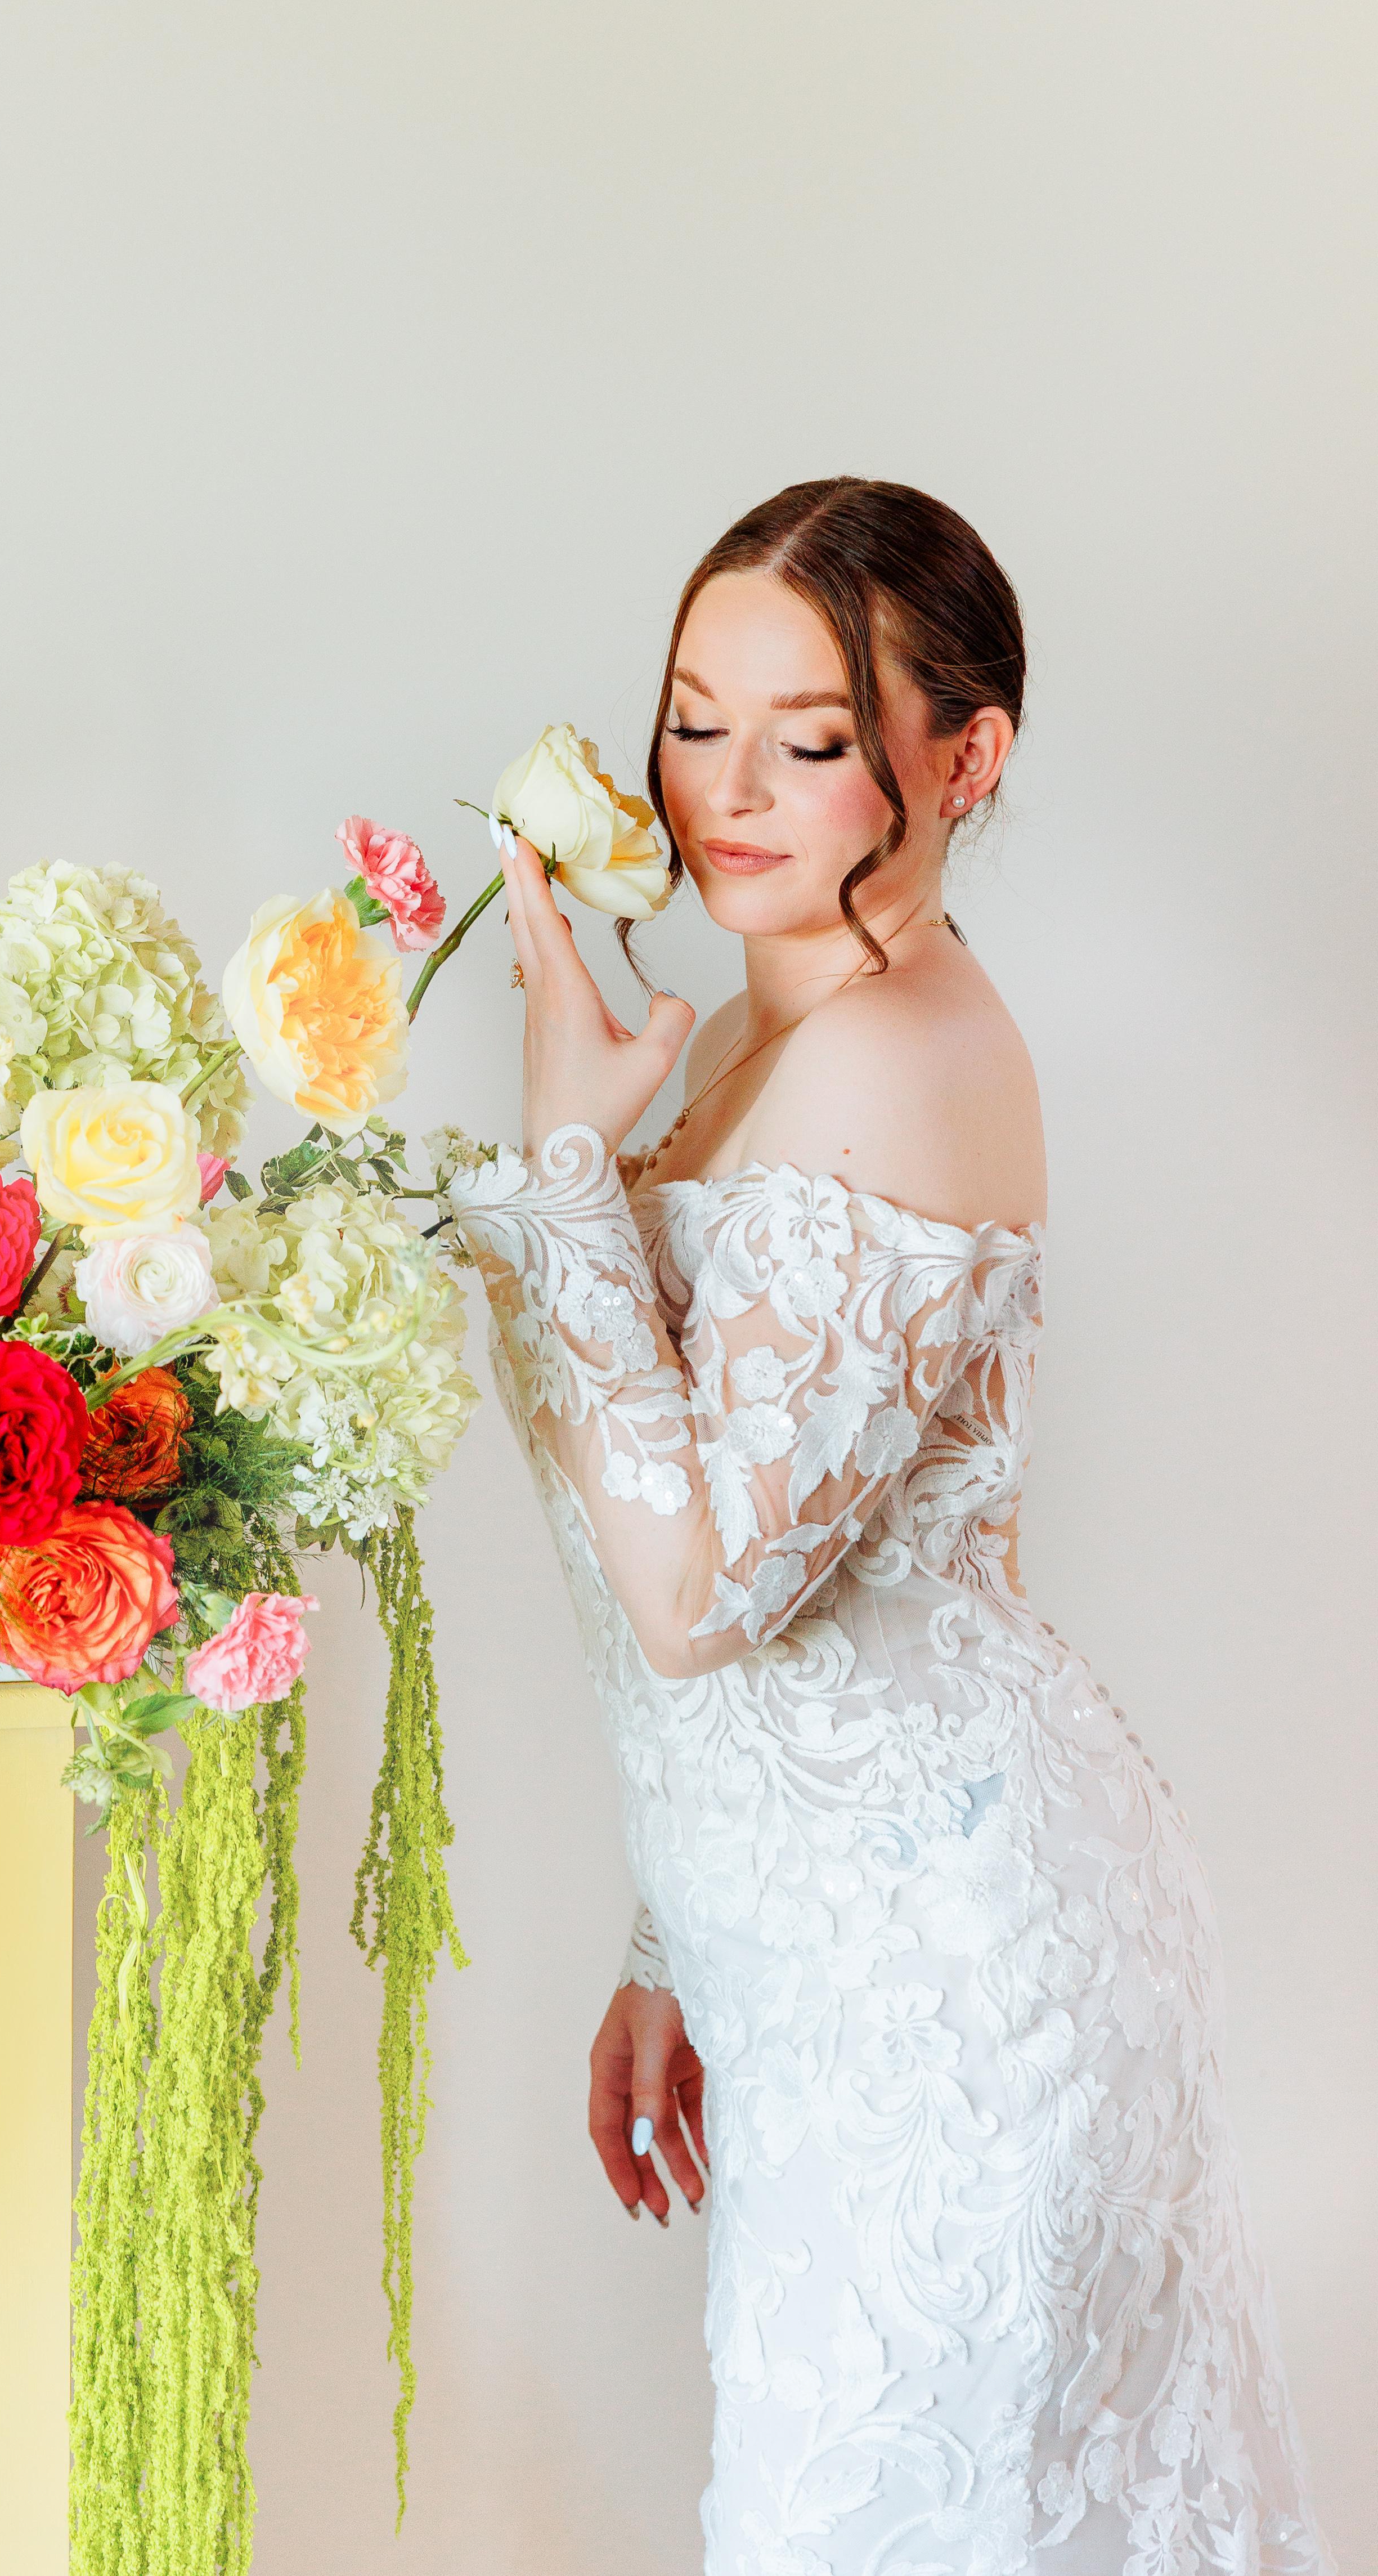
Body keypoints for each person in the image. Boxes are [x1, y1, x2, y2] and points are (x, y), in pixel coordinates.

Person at [448, 481, 1332, 2575]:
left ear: (965, 754)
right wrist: (674, 1939)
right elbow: (761, 1549)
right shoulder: (765, 1047)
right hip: (823, 1946)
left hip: (959, 1975)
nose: (727, 790)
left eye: (812, 736)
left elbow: (698, 1597)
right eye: (693, 719)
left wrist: (565, 1170)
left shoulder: (899, 1057)